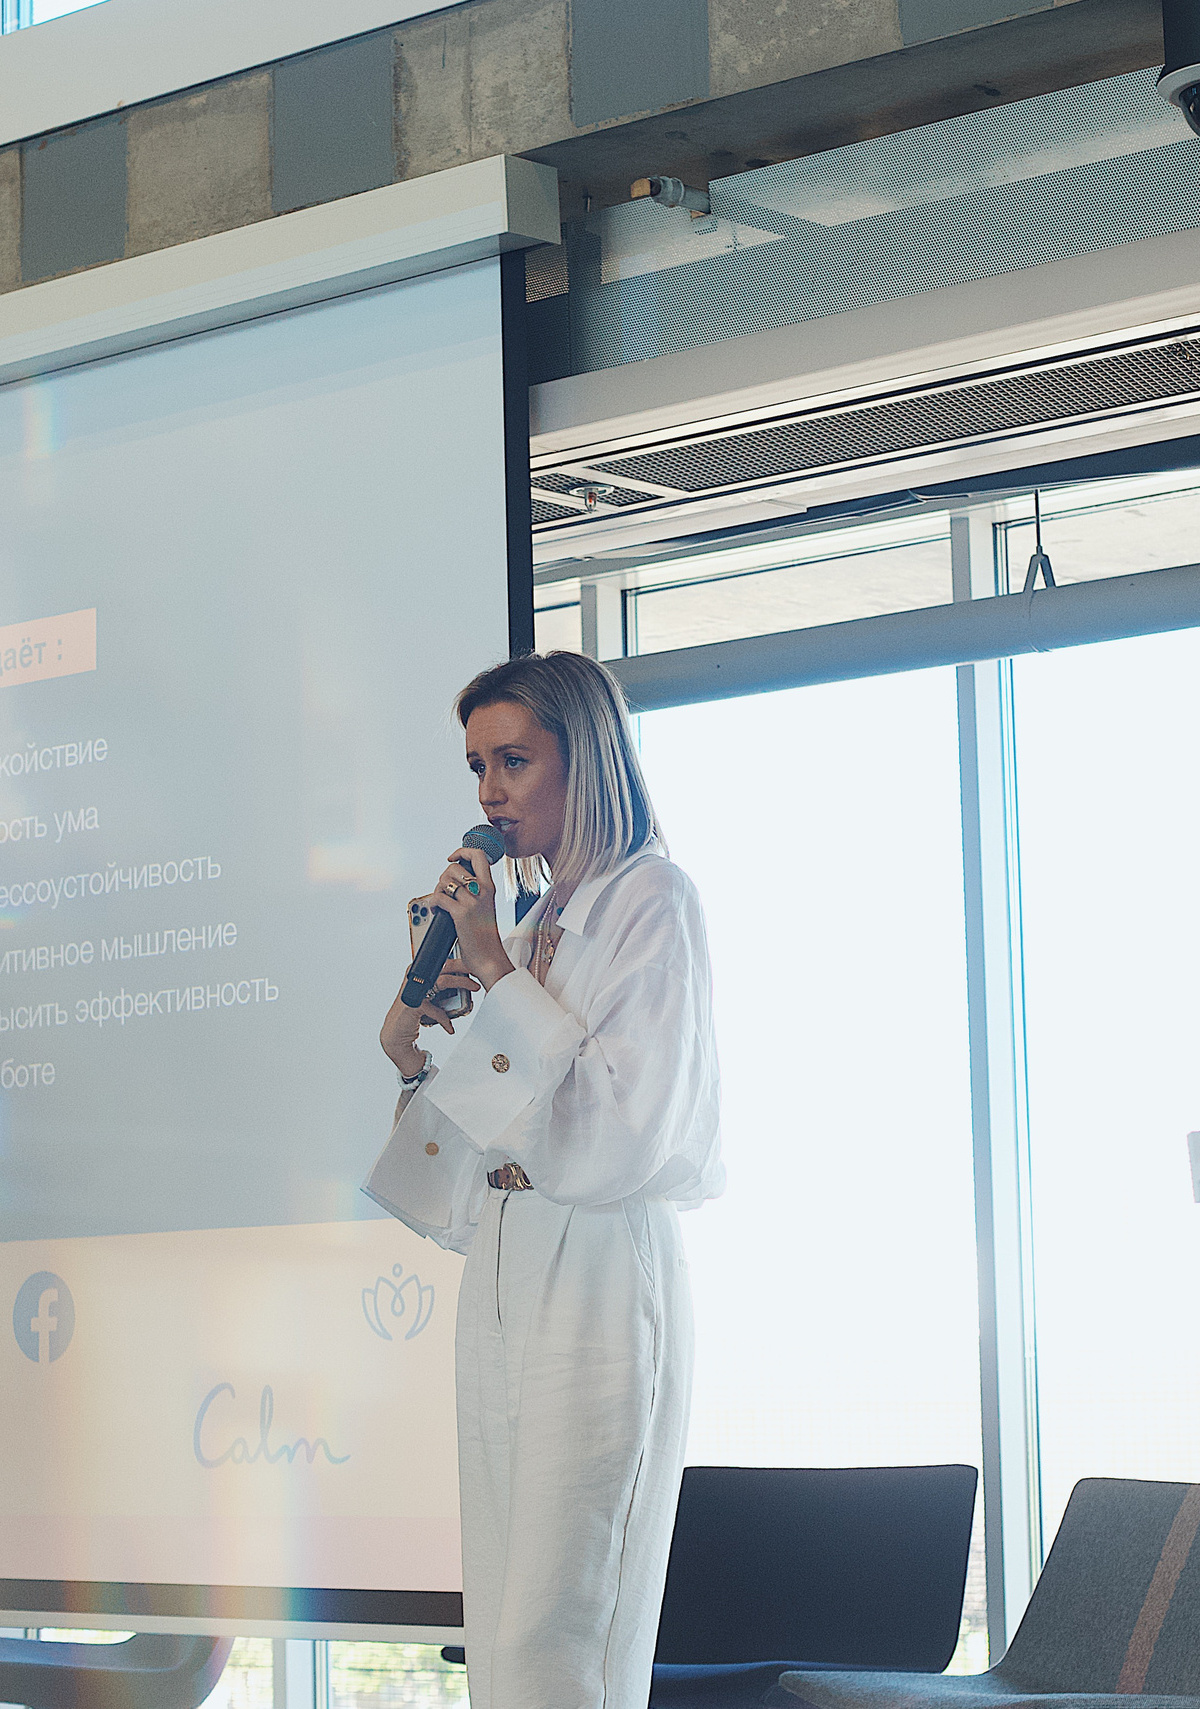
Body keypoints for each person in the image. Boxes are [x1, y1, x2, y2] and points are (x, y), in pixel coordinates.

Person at [377, 650, 723, 1709]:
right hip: (504, 1253)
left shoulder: (650, 899)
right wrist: (423, 1039)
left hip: (597, 1259)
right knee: (500, 1620)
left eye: (515, 760)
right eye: (478, 765)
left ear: (590, 758)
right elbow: (474, 1133)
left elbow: (623, 1120)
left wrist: (491, 968)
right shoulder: (531, 928)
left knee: (557, 1620)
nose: (489, 793)